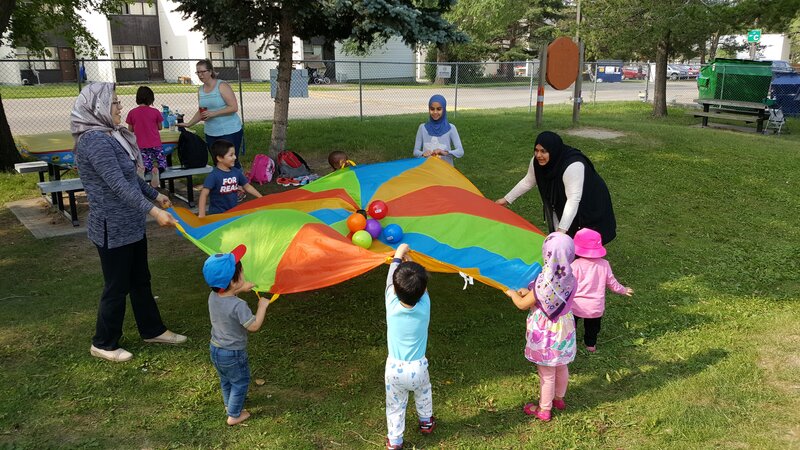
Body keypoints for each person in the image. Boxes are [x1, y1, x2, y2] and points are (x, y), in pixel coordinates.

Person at [71, 82, 184, 363]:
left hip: (131, 224)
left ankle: (152, 330)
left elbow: (132, 179)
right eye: (115, 103)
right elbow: (117, 185)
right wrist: (154, 212)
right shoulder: (94, 141)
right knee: (116, 286)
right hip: (112, 228)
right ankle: (103, 342)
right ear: (98, 109)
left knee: (140, 281)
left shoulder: (111, 136)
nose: (121, 107)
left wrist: (156, 195)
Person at [496, 131, 617, 244]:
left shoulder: (573, 165)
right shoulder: (537, 162)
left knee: (584, 243)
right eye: (536, 150)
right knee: (562, 243)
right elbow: (528, 181)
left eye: (543, 151)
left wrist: (561, 232)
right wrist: (506, 199)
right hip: (564, 201)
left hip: (589, 203)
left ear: (553, 151)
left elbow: (573, 200)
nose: (539, 155)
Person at [505, 233, 577, 422]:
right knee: (561, 365)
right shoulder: (570, 277)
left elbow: (523, 304)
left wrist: (513, 294)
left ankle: (544, 409)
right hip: (565, 327)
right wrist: (531, 293)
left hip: (546, 333)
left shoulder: (543, 282)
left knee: (546, 372)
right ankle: (559, 399)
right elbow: (550, 299)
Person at [203, 244, 270, 426]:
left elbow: (228, 293)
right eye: (241, 272)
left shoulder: (213, 296)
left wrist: (241, 288)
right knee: (240, 381)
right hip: (233, 353)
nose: (243, 273)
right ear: (233, 282)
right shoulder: (238, 306)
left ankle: (228, 404)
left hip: (216, 348)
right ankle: (234, 414)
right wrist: (262, 306)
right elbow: (254, 326)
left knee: (226, 379)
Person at [384, 243, 436, 450]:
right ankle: (426, 422)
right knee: (424, 393)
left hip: (394, 369)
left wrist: (398, 256)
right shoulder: (425, 306)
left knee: (395, 406)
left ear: (395, 291)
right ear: (422, 290)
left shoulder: (391, 303)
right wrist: (411, 263)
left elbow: (390, 281)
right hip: (418, 368)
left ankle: (395, 441)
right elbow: (421, 286)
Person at [570, 228, 633, 353]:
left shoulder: (575, 265)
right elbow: (611, 282)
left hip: (575, 305)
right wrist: (623, 290)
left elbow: (568, 284)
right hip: (595, 307)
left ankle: (570, 343)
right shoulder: (604, 264)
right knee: (592, 328)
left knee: (571, 326)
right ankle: (590, 345)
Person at [178, 59, 244, 168]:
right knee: (218, 163)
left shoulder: (222, 85)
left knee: (230, 162)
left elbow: (233, 107)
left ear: (210, 71)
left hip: (229, 131)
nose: (200, 75)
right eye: (198, 72)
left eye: (203, 72)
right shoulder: (200, 90)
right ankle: (223, 184)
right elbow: (201, 111)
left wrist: (214, 113)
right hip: (211, 132)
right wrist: (189, 124)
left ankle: (239, 184)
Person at [198, 139, 262, 218]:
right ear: (220, 158)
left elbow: (247, 186)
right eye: (231, 155)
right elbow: (204, 194)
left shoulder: (236, 172)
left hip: (233, 213)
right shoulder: (213, 176)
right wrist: (201, 214)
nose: (235, 157)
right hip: (217, 215)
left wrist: (261, 198)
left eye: (234, 154)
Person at [126, 86, 166, 188]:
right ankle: (157, 170)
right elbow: (160, 127)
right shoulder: (155, 112)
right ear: (151, 99)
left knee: (145, 162)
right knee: (162, 162)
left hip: (140, 144)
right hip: (155, 143)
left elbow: (130, 129)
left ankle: (143, 170)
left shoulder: (132, 112)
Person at [412, 94, 464, 166]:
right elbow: (415, 151)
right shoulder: (422, 128)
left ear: (444, 109)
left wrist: (445, 152)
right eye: (432, 109)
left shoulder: (451, 128)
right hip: (428, 169)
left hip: (445, 170)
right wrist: (423, 154)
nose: (435, 112)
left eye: (439, 109)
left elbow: (460, 151)